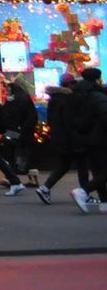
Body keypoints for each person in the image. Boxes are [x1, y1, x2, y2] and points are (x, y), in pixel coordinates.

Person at [37, 73, 90, 205]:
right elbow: (69, 122)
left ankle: (45, 188)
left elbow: (52, 120)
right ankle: (84, 193)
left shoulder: (54, 99)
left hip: (58, 137)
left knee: (65, 164)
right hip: (69, 138)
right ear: (70, 84)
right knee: (81, 164)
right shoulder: (68, 99)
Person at [73, 67, 107, 214]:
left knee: (98, 170)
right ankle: (83, 191)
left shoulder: (77, 93)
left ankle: (104, 202)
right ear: (97, 79)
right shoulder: (97, 95)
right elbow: (104, 115)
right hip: (100, 137)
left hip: (85, 137)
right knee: (103, 171)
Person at [0, 77, 39, 182]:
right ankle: (31, 178)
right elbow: (32, 115)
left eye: (8, 89)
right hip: (25, 129)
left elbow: (10, 115)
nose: (7, 91)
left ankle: (12, 177)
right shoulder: (24, 97)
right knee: (25, 152)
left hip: (15, 130)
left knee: (12, 151)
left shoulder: (14, 99)